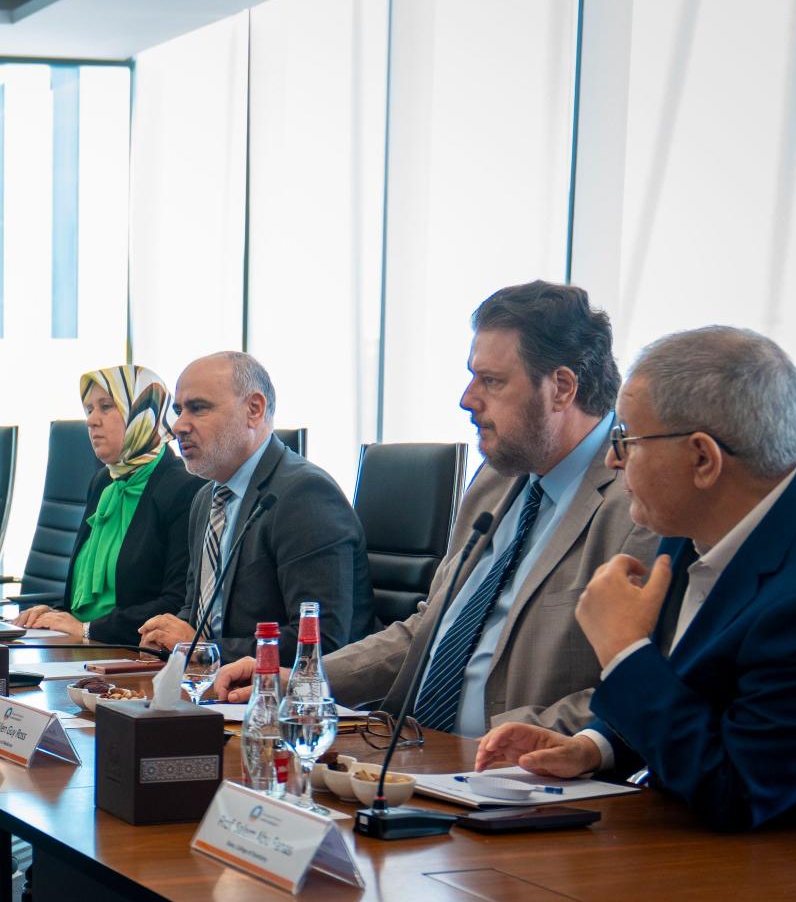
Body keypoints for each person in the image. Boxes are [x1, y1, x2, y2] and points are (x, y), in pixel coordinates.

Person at [475, 326, 796, 858]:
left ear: (703, 459)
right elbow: (702, 690)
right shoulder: (712, 512)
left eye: (626, 438)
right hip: (727, 843)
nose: (613, 459)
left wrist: (624, 652)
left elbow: (735, 791)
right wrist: (595, 746)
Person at [207, 281, 651, 730]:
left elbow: (644, 687)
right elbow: (429, 629)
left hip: (507, 762)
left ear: (561, 388)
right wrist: (306, 680)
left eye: (491, 381)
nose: (467, 399)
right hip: (408, 744)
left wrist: (536, 737)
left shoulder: (638, 506)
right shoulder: (496, 480)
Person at [135, 352, 369, 663]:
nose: (178, 426)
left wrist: (202, 650)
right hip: (208, 681)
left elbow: (320, 642)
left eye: (198, 408)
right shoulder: (206, 498)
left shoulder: (305, 495)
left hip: (275, 690)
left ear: (254, 409)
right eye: (178, 411)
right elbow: (196, 612)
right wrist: (165, 640)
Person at [8, 364, 203, 645]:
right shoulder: (104, 481)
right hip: (84, 645)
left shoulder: (184, 488)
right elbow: (84, 599)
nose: (91, 421)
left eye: (106, 406)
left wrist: (87, 629)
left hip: (132, 652)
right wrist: (55, 614)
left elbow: (176, 603)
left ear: (143, 413)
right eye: (89, 409)